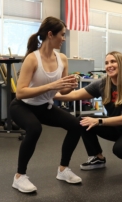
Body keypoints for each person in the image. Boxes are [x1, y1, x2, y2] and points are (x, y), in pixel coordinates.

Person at [10, 16, 82, 193]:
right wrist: (52, 86)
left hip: (44, 106)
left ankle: (63, 170)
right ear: (50, 34)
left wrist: (69, 86)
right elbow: (20, 92)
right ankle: (19, 177)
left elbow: (62, 91)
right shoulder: (32, 59)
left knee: (76, 125)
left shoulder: (62, 59)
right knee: (34, 129)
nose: (64, 38)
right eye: (62, 35)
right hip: (22, 106)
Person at [54, 51, 122, 175]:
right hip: (119, 128)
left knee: (120, 149)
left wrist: (98, 121)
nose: (109, 65)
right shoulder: (103, 83)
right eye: (106, 63)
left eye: (113, 61)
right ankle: (97, 158)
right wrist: (47, 94)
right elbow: (74, 94)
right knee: (83, 120)